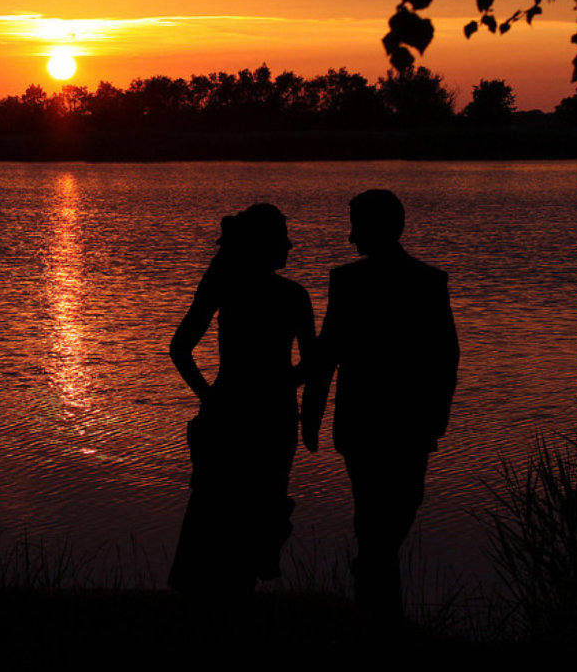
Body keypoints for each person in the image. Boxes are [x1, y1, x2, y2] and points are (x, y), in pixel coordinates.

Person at [302, 189, 459, 617]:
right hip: (369, 421)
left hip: (407, 420)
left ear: (384, 228)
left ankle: (371, 577)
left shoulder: (430, 281)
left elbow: (445, 356)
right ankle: (378, 601)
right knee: (373, 507)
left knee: (403, 501)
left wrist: (437, 417)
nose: (351, 238)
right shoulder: (347, 280)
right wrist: (310, 415)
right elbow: (328, 351)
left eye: (356, 226)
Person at [167, 203, 316, 596]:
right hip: (270, 417)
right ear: (266, 243)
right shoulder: (293, 295)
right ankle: (234, 597)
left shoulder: (223, 285)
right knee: (255, 509)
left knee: (217, 510)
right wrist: (286, 384)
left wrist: (209, 396)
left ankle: (209, 599)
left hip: (229, 411)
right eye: (284, 236)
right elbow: (313, 363)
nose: (290, 244)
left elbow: (180, 350)